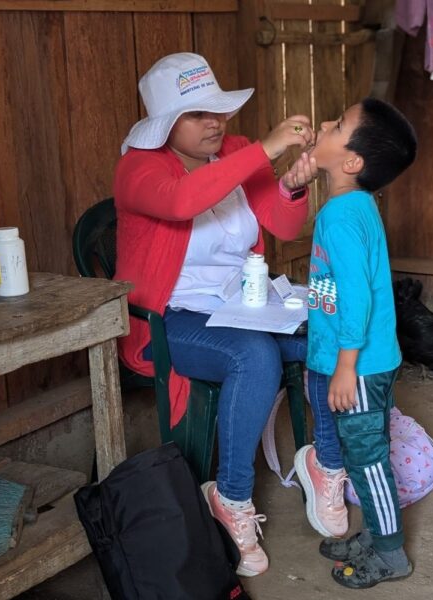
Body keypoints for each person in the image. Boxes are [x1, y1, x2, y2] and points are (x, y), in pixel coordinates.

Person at [113, 52, 317, 577]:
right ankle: (231, 496)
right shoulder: (139, 167)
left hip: (241, 305)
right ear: (165, 124)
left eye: (218, 110)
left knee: (325, 332)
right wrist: (266, 150)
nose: (215, 122)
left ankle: (325, 463)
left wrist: (291, 187)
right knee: (254, 356)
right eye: (198, 114)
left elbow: (283, 225)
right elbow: (182, 202)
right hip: (170, 317)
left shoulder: (235, 152)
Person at [293, 97, 417, 589]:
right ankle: (378, 533)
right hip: (364, 360)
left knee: (368, 460)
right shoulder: (355, 205)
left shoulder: (341, 217)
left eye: (339, 125)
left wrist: (345, 365)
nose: (325, 123)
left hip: (360, 367)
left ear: (351, 163)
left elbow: (357, 297)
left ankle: (391, 554)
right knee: (364, 455)